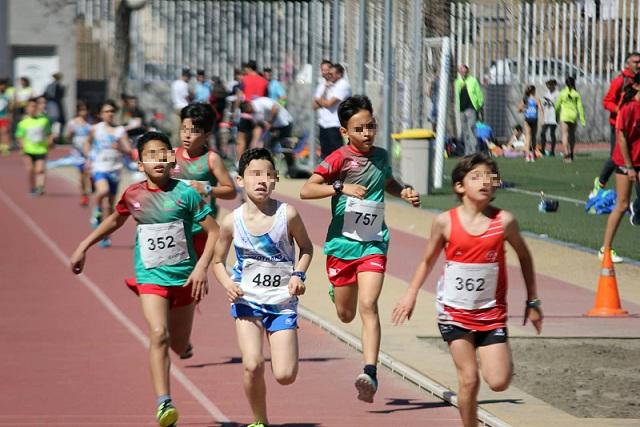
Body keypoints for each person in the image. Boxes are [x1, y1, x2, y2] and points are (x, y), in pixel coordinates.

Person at [70, 131, 219, 427]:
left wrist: (202, 267)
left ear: (172, 158)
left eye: (164, 152)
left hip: (185, 278)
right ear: (140, 164)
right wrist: (83, 246)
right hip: (150, 276)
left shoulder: (187, 193)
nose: (159, 159)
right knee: (158, 333)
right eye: (151, 154)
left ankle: (184, 345)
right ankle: (164, 403)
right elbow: (115, 218)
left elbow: (214, 231)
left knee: (177, 343)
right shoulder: (133, 195)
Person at [391, 153, 543, 427]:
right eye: (476, 177)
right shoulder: (445, 222)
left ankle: (495, 357)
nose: (484, 182)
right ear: (459, 187)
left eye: (489, 177)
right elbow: (427, 260)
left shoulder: (504, 222)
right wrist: (410, 294)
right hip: (454, 311)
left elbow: (525, 256)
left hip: (490, 313)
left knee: (498, 381)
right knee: (469, 378)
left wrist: (532, 300)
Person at [300, 95, 420, 403]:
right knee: (345, 313)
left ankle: (370, 372)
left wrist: (403, 191)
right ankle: (338, 290)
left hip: (373, 241)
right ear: (345, 131)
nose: (367, 133)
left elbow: (388, 181)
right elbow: (307, 189)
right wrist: (341, 187)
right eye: (359, 128)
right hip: (341, 245)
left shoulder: (380, 155)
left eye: (371, 126)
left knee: (369, 305)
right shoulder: (339, 158)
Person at [212, 147, 313, 427]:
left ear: (276, 179)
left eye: (269, 175)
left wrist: (298, 275)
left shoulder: (287, 214)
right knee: (252, 364)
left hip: (281, 302)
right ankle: (259, 421)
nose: (262, 180)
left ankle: (285, 345)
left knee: (284, 375)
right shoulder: (232, 221)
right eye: (255, 174)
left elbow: (306, 248)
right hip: (248, 300)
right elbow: (217, 261)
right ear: (241, 180)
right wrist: (228, 284)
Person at [600, 74, 640, 263]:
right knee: (621, 204)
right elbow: (622, 138)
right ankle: (605, 249)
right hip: (626, 161)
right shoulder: (629, 107)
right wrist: (629, 166)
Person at [173, 102, 236, 220]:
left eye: (194, 131)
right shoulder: (172, 154)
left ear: (207, 135)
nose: (187, 135)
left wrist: (207, 189)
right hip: (175, 225)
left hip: (200, 228)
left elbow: (231, 192)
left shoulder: (212, 158)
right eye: (184, 129)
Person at [84, 100, 132, 248]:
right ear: (100, 114)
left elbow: (129, 151)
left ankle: (105, 236)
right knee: (102, 191)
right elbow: (87, 144)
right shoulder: (95, 129)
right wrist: (88, 158)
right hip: (99, 167)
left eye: (112, 111)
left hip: (115, 169)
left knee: (110, 206)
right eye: (106, 111)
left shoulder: (120, 131)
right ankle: (96, 210)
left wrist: (120, 148)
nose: (110, 114)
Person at [592, 52, 640, 197]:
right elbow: (607, 101)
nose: (639, 65)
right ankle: (600, 182)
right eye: (635, 62)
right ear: (628, 64)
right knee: (616, 158)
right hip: (620, 126)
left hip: (636, 126)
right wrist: (620, 110)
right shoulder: (620, 81)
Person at [241, 97, 298, 177]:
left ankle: (291, 170)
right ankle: (268, 171)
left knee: (285, 148)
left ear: (249, 105)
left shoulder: (261, 102)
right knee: (268, 148)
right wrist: (257, 142)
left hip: (285, 123)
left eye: (248, 111)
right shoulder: (253, 114)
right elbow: (259, 126)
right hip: (273, 128)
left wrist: (270, 121)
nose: (249, 113)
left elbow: (275, 107)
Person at [313, 63, 352, 159]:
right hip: (324, 123)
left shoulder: (343, 85)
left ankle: (340, 173)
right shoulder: (326, 84)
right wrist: (325, 89)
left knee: (337, 153)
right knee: (325, 154)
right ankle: (327, 173)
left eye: (331, 73)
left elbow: (329, 104)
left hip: (335, 124)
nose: (328, 75)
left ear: (339, 74)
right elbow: (314, 105)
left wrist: (320, 101)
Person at [15, 98, 53, 196]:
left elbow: (49, 133)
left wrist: (50, 141)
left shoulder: (44, 121)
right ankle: (32, 187)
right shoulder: (23, 123)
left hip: (41, 149)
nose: (32, 109)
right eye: (30, 107)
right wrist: (22, 147)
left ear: (37, 108)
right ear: (27, 109)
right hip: (28, 149)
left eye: (34, 106)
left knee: (39, 170)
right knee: (30, 169)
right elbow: (19, 136)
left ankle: (40, 187)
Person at [64, 101, 93, 206]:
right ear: (78, 111)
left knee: (88, 171)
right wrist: (69, 134)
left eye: (85, 110)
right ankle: (84, 194)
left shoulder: (91, 123)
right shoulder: (72, 123)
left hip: (89, 151)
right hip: (77, 153)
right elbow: (66, 137)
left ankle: (90, 185)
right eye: (81, 110)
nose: (84, 112)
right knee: (81, 175)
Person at [454, 65, 484, 156]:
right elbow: (457, 95)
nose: (463, 73)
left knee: (471, 128)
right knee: (465, 131)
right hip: (461, 109)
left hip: (471, 108)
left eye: (465, 72)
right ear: (459, 72)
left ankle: (474, 151)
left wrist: (479, 105)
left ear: (468, 72)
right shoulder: (457, 82)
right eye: (461, 72)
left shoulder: (473, 81)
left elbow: (479, 94)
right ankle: (467, 152)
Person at [555, 76, 585, 163]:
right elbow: (580, 107)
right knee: (572, 135)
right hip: (573, 116)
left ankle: (566, 153)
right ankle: (571, 153)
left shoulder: (562, 93)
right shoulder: (576, 94)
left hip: (564, 116)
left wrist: (556, 116)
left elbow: (557, 106)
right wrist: (582, 120)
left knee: (564, 134)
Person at [518, 85, 544, 162]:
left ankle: (527, 156)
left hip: (527, 119)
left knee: (527, 137)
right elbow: (541, 109)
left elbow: (519, 109)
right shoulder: (536, 100)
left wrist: (524, 109)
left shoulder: (525, 99)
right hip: (534, 119)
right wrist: (543, 119)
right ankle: (532, 155)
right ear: (533, 91)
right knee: (533, 138)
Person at [43, 72, 66, 140]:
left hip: (58, 104)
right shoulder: (51, 85)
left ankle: (58, 137)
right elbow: (47, 94)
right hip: (52, 104)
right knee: (53, 119)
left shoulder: (60, 86)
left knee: (60, 120)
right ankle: (51, 136)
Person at [540, 79, 559, 157]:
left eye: (550, 85)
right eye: (547, 85)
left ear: (554, 85)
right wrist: (545, 102)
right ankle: (543, 150)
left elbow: (558, 105)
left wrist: (550, 101)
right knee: (542, 133)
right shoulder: (546, 93)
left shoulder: (558, 94)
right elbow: (544, 104)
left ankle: (552, 151)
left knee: (552, 133)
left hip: (554, 117)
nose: (548, 87)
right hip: (547, 117)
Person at [0, 78, 12, 155]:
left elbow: (9, 108)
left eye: (3, 85)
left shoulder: (6, 96)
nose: (2, 87)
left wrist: (9, 116)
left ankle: (5, 147)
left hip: (4, 117)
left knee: (4, 132)